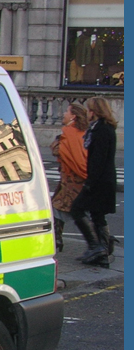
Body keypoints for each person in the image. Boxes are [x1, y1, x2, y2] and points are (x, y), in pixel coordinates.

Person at [70, 96, 118, 266]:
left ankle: (95, 246)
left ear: (95, 111)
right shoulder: (99, 128)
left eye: (89, 109)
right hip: (102, 179)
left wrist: (90, 182)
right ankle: (102, 254)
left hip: (100, 181)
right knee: (98, 215)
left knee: (77, 208)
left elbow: (99, 159)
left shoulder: (103, 130)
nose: (87, 113)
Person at [49, 103, 88, 253]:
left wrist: (57, 142)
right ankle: (57, 238)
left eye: (67, 111)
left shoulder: (70, 133)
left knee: (64, 208)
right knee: (59, 207)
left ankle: (101, 241)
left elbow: (60, 151)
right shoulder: (82, 132)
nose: (64, 114)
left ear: (73, 116)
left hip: (73, 180)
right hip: (72, 179)